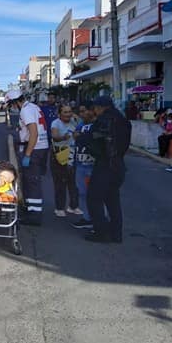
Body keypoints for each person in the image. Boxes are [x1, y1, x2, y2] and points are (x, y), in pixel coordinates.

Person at [83, 96, 131, 243]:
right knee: (113, 200)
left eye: (95, 108)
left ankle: (101, 232)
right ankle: (116, 234)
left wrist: (83, 139)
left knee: (94, 198)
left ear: (101, 107)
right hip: (118, 165)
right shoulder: (122, 120)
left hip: (105, 165)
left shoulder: (104, 120)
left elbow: (97, 143)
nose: (94, 111)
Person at [6, 89, 49, 226]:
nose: (11, 108)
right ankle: (31, 209)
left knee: (32, 182)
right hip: (40, 147)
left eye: (11, 105)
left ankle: (34, 216)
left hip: (34, 149)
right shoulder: (33, 107)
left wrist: (28, 154)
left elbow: (34, 133)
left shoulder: (25, 110)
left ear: (15, 102)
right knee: (31, 181)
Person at [50, 105, 80, 217]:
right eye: (65, 112)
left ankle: (73, 206)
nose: (68, 114)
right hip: (59, 155)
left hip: (72, 154)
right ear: (59, 114)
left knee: (73, 182)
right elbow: (54, 136)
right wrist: (63, 137)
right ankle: (59, 208)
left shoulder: (74, 122)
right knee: (60, 183)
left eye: (70, 111)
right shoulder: (55, 123)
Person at [71, 102, 96, 230]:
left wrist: (81, 136)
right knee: (82, 193)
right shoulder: (80, 125)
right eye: (80, 112)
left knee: (96, 194)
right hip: (80, 164)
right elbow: (75, 136)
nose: (82, 114)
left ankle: (98, 219)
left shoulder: (96, 125)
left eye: (84, 111)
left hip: (93, 165)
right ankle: (87, 217)